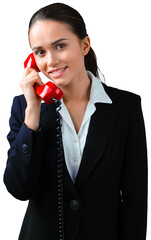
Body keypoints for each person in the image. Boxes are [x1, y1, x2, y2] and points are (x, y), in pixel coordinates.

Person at [3, 3, 148, 240]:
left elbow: (135, 198)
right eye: (40, 52)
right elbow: (19, 189)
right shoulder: (25, 107)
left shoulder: (126, 107)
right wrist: (33, 112)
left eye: (60, 46)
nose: (50, 61)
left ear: (84, 45)